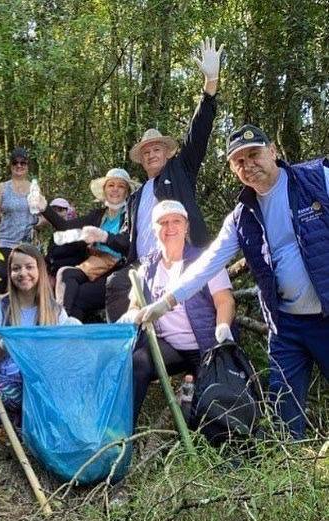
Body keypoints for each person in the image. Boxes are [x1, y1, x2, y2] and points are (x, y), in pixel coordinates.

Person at [138, 125, 329, 439]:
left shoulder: (317, 179)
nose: (248, 164)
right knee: (284, 412)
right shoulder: (241, 217)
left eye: (254, 154)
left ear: (272, 151)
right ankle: (292, 464)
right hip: (287, 327)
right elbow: (207, 263)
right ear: (233, 170)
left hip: (325, 316)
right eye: (239, 161)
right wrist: (166, 302)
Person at [104, 37, 224, 321]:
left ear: (168, 153)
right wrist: (101, 237)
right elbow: (125, 238)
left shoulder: (180, 171)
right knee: (114, 283)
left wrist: (210, 86)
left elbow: (198, 133)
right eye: (146, 152)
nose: (151, 154)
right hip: (143, 266)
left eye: (157, 149)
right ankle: (126, 342)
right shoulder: (135, 197)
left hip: (180, 260)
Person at [116, 200, 235, 423]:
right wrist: (133, 314)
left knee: (206, 405)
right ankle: (122, 429)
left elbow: (224, 301)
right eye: (163, 223)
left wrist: (223, 329)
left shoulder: (204, 261)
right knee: (138, 362)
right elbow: (134, 305)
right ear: (154, 229)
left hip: (205, 345)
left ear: (186, 226)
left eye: (176, 221)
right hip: (170, 345)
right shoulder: (147, 268)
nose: (170, 227)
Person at [0, 243, 74, 428]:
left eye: (29, 267)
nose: (23, 273)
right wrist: (3, 346)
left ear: (40, 270)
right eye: (16, 268)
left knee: (69, 411)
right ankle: (21, 418)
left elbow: (65, 360)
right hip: (7, 383)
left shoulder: (56, 311)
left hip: (42, 386)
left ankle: (30, 419)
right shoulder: (0, 307)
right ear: (10, 273)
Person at [42, 169, 139, 321]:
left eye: (120, 186)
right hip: (93, 263)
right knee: (65, 273)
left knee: (79, 295)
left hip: (117, 269)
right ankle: (62, 322)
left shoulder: (131, 215)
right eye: (111, 185)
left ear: (127, 192)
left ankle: (66, 327)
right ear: (104, 190)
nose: (115, 189)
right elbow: (65, 226)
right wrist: (44, 208)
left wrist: (105, 237)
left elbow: (128, 244)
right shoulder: (97, 215)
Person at [0, 148, 46, 295]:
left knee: (26, 280)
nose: (19, 166)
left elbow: (44, 214)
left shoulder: (34, 188)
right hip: (6, 241)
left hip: (28, 243)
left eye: (23, 163)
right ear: (10, 165)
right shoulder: (2, 188)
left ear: (27, 165)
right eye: (15, 162)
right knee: (2, 276)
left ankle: (24, 308)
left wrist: (38, 222)